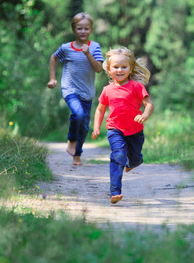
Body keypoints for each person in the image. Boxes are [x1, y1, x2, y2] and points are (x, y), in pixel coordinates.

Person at [92, 47, 154, 204]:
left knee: (135, 159)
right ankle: (115, 192)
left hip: (135, 131)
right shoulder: (107, 90)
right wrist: (97, 127)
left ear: (130, 68)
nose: (119, 70)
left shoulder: (137, 87)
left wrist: (144, 115)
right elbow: (100, 110)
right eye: (116, 67)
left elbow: (149, 104)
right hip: (115, 129)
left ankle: (134, 162)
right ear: (108, 69)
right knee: (118, 156)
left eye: (124, 67)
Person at [47, 12, 103, 166]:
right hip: (69, 89)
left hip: (87, 93)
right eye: (79, 28)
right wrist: (53, 78)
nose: (83, 32)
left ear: (91, 30)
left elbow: (98, 69)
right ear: (73, 30)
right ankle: (71, 140)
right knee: (77, 114)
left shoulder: (95, 47)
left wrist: (88, 54)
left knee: (84, 127)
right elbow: (54, 58)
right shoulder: (66, 48)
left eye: (86, 28)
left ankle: (77, 155)